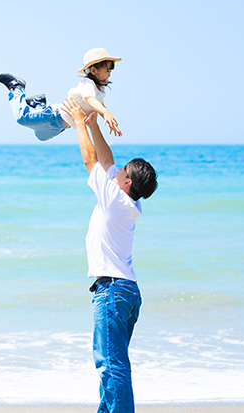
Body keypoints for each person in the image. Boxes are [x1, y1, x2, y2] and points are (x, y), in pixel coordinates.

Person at [60, 98, 158, 413]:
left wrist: (78, 123)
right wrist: (96, 125)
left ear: (126, 182)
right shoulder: (128, 201)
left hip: (113, 291)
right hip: (126, 291)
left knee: (111, 365)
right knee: (111, 364)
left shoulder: (114, 200)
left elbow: (92, 162)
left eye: (122, 172)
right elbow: (107, 161)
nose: (115, 172)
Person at [0, 48, 123, 141]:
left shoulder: (99, 90)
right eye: (107, 70)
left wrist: (109, 119)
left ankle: (38, 105)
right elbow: (90, 100)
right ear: (94, 70)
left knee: (40, 136)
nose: (109, 74)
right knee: (22, 118)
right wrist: (106, 113)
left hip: (62, 126)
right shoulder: (87, 83)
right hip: (55, 115)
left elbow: (99, 105)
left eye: (110, 71)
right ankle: (16, 87)